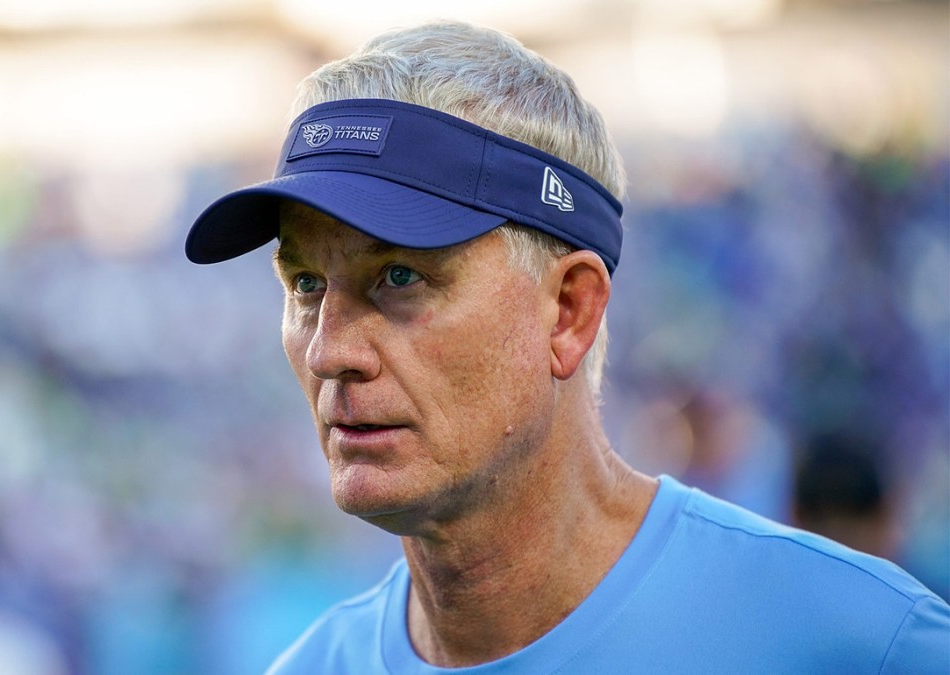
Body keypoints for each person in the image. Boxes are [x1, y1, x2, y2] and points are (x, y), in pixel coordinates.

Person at [185, 21, 949, 673]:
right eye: (306, 284)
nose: (329, 351)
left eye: (399, 274)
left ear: (568, 311)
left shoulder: (856, 642)